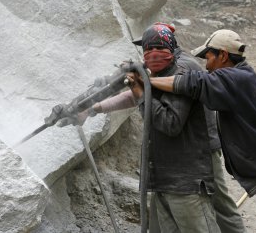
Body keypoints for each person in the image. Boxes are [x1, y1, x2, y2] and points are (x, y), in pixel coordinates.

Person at [149, 29, 256, 233]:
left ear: (223, 55)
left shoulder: (237, 79)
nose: (206, 65)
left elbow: (193, 83)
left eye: (208, 57)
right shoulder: (234, 81)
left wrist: (147, 83)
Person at [89, 24, 246, 233]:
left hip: (201, 150)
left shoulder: (182, 68)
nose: (149, 55)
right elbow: (139, 93)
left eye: (154, 48)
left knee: (219, 207)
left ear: (167, 46)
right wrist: (97, 107)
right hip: (179, 157)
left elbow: (161, 112)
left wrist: (138, 87)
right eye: (146, 49)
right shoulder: (162, 68)